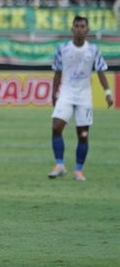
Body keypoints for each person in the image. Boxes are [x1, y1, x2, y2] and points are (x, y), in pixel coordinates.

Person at [48, 16, 113, 181]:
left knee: (83, 134)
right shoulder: (62, 49)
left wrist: (107, 93)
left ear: (87, 30)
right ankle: (60, 164)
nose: (79, 28)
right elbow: (57, 73)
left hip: (84, 96)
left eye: (82, 26)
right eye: (76, 26)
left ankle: (78, 170)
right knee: (56, 127)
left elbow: (100, 72)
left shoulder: (93, 50)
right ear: (72, 29)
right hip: (66, 94)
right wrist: (54, 92)